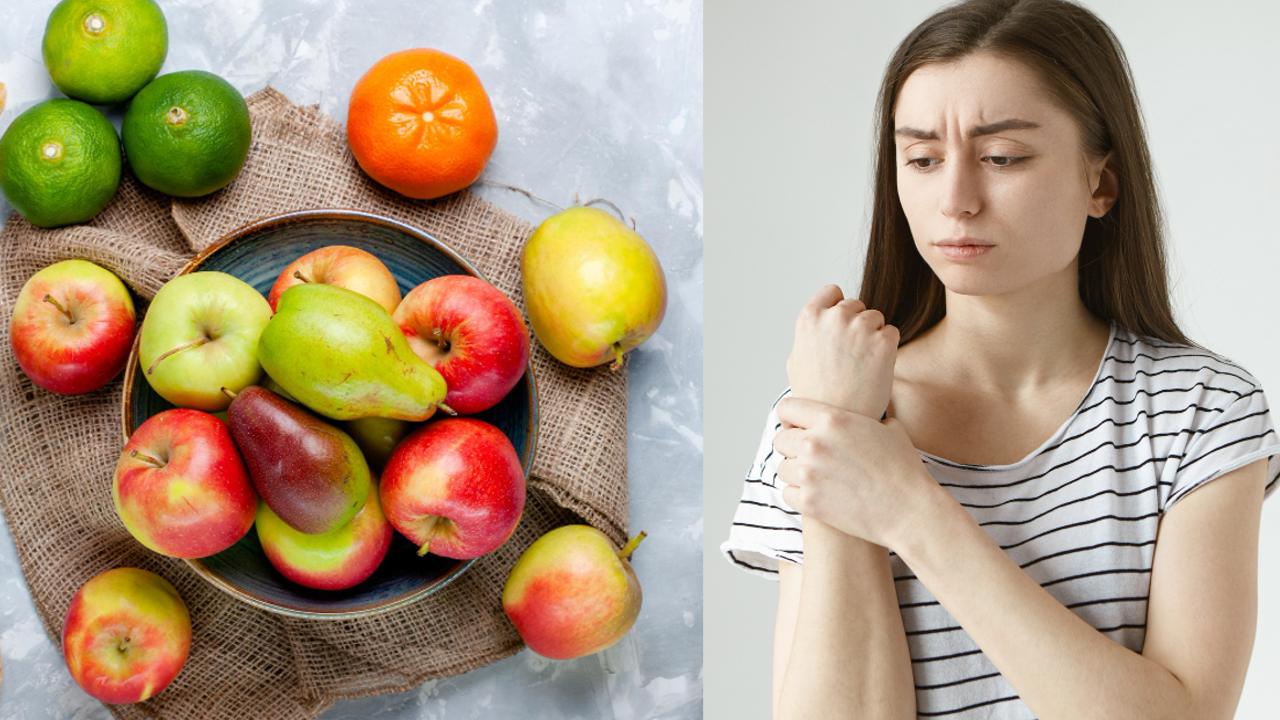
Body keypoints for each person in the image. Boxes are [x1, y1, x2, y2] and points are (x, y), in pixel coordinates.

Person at [719, 0, 1280, 718]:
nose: (955, 199)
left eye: (1002, 158)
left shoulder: (1201, 410)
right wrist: (840, 432)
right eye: (922, 159)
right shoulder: (823, 412)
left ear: (1100, 183)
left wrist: (910, 509)